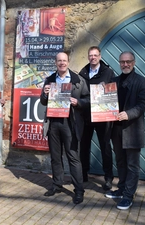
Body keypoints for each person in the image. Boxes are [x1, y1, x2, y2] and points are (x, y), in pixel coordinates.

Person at [40, 52, 90, 204]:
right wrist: (45, 93)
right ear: (55, 63)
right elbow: (43, 101)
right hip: (53, 122)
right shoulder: (49, 80)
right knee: (56, 156)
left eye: (64, 61)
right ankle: (57, 184)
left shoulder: (78, 80)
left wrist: (78, 102)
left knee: (73, 157)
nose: (62, 63)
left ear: (68, 62)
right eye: (59, 61)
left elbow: (88, 100)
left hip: (70, 123)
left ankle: (79, 190)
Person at [104, 51, 145, 210]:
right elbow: (104, 102)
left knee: (132, 165)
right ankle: (122, 189)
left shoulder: (142, 82)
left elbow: (143, 105)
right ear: (119, 63)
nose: (125, 64)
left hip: (132, 130)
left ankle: (128, 196)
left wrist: (128, 114)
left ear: (134, 62)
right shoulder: (113, 82)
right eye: (122, 62)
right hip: (116, 129)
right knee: (121, 162)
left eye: (128, 61)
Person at [78, 46, 115, 190]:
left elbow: (113, 92)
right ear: (88, 57)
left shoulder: (108, 72)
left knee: (105, 146)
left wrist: (105, 88)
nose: (93, 57)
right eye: (90, 55)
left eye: (95, 55)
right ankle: (83, 173)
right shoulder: (83, 72)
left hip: (102, 115)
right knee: (84, 146)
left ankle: (108, 177)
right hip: (86, 115)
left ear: (100, 56)